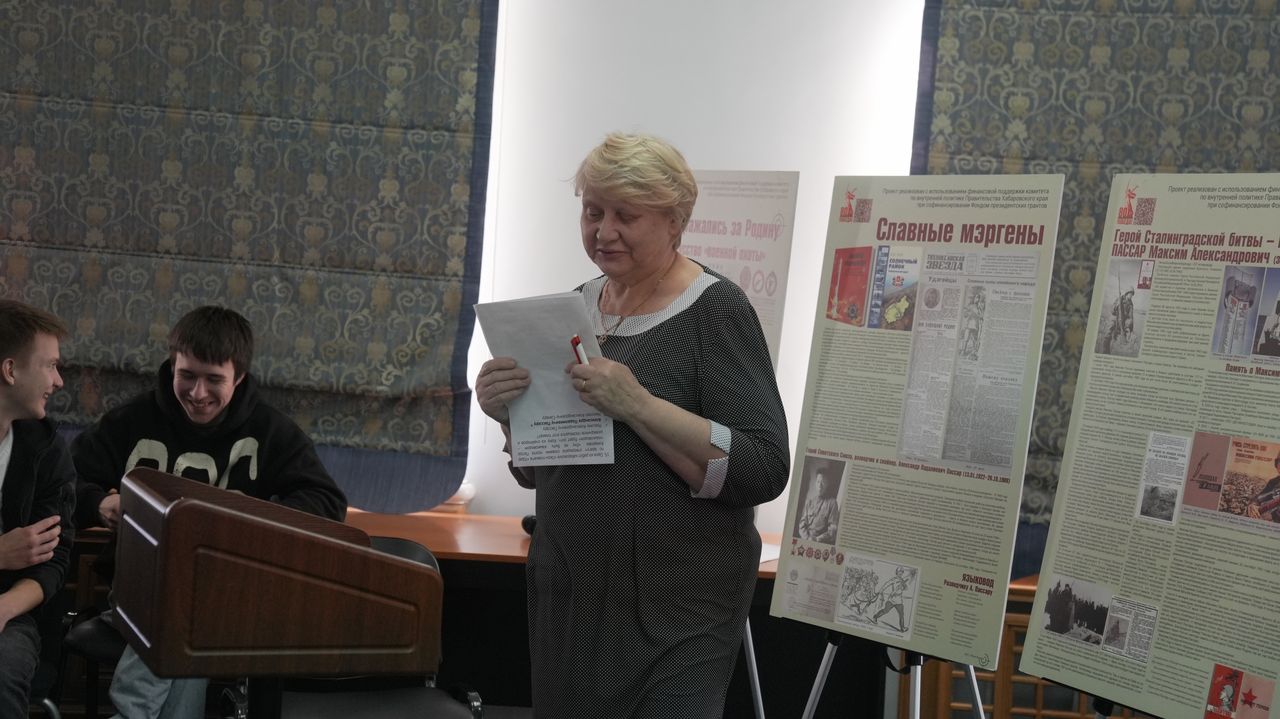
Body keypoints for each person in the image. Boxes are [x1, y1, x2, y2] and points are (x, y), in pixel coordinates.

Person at [476, 133, 789, 718]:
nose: (604, 231)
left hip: (678, 610)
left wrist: (638, 405)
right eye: (593, 212)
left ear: (675, 221)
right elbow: (541, 471)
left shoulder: (716, 311)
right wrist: (509, 417)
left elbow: (764, 467)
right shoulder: (573, 308)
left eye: (626, 215)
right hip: (572, 596)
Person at [72, 306, 348, 719]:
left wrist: (246, 517)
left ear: (239, 377)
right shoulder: (130, 420)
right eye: (187, 375)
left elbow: (327, 504)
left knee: (191, 608)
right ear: (172, 366)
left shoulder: (271, 431)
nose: (198, 393)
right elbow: (62, 483)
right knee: (183, 607)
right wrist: (97, 502)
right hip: (139, 592)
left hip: (234, 596)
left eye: (214, 380)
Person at [0, 300, 75, 717]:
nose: (58, 380)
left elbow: (54, 560)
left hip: (11, 612)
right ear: (10, 371)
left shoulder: (47, 451)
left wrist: (4, 608)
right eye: (50, 366)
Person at [797, 469, 840, 543]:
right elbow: (802, 525)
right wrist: (807, 538)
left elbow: (832, 530)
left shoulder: (832, 503)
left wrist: (817, 539)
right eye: (818, 482)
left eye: (823, 482)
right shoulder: (809, 502)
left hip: (820, 542)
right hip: (805, 539)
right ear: (815, 483)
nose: (820, 485)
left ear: (827, 484)